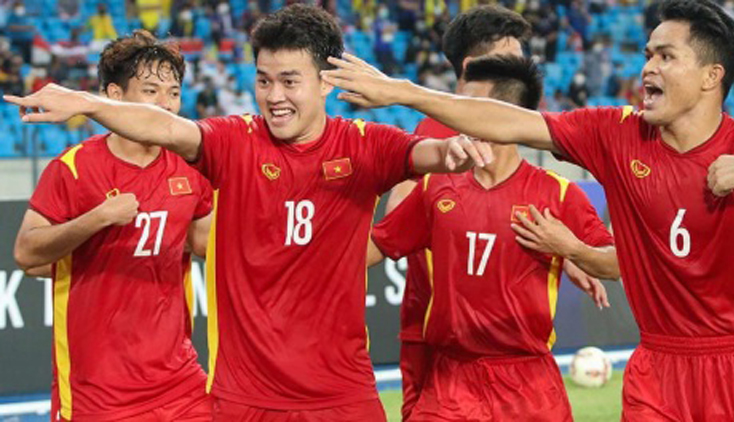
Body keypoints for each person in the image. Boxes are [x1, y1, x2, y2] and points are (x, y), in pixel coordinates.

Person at [4, 5, 493, 421]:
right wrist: (85, 106)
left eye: (288, 81)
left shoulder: (366, 145)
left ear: (325, 82)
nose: (274, 96)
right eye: (263, 80)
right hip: (231, 396)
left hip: (333, 392)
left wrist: (452, 148)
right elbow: (169, 130)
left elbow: (432, 151)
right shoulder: (230, 141)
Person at [321, 0, 734, 419]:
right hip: (658, 365)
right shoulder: (617, 134)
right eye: (648, 54)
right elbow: (513, 121)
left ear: (711, 76)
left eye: (666, 57)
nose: (648, 68)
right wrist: (404, 92)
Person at [369, 54, 617, 421]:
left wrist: (570, 249)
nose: (455, 118)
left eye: (467, 107)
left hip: (529, 386)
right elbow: (371, 248)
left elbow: (616, 265)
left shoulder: (559, 195)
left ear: (504, 114)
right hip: (450, 382)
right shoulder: (436, 188)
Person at [13, 30, 213, 422]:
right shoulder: (72, 168)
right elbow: (26, 253)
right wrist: (97, 218)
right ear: (114, 96)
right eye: (152, 91)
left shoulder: (192, 170)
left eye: (173, 92)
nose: (166, 105)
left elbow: (209, 244)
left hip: (180, 383)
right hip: (97, 394)